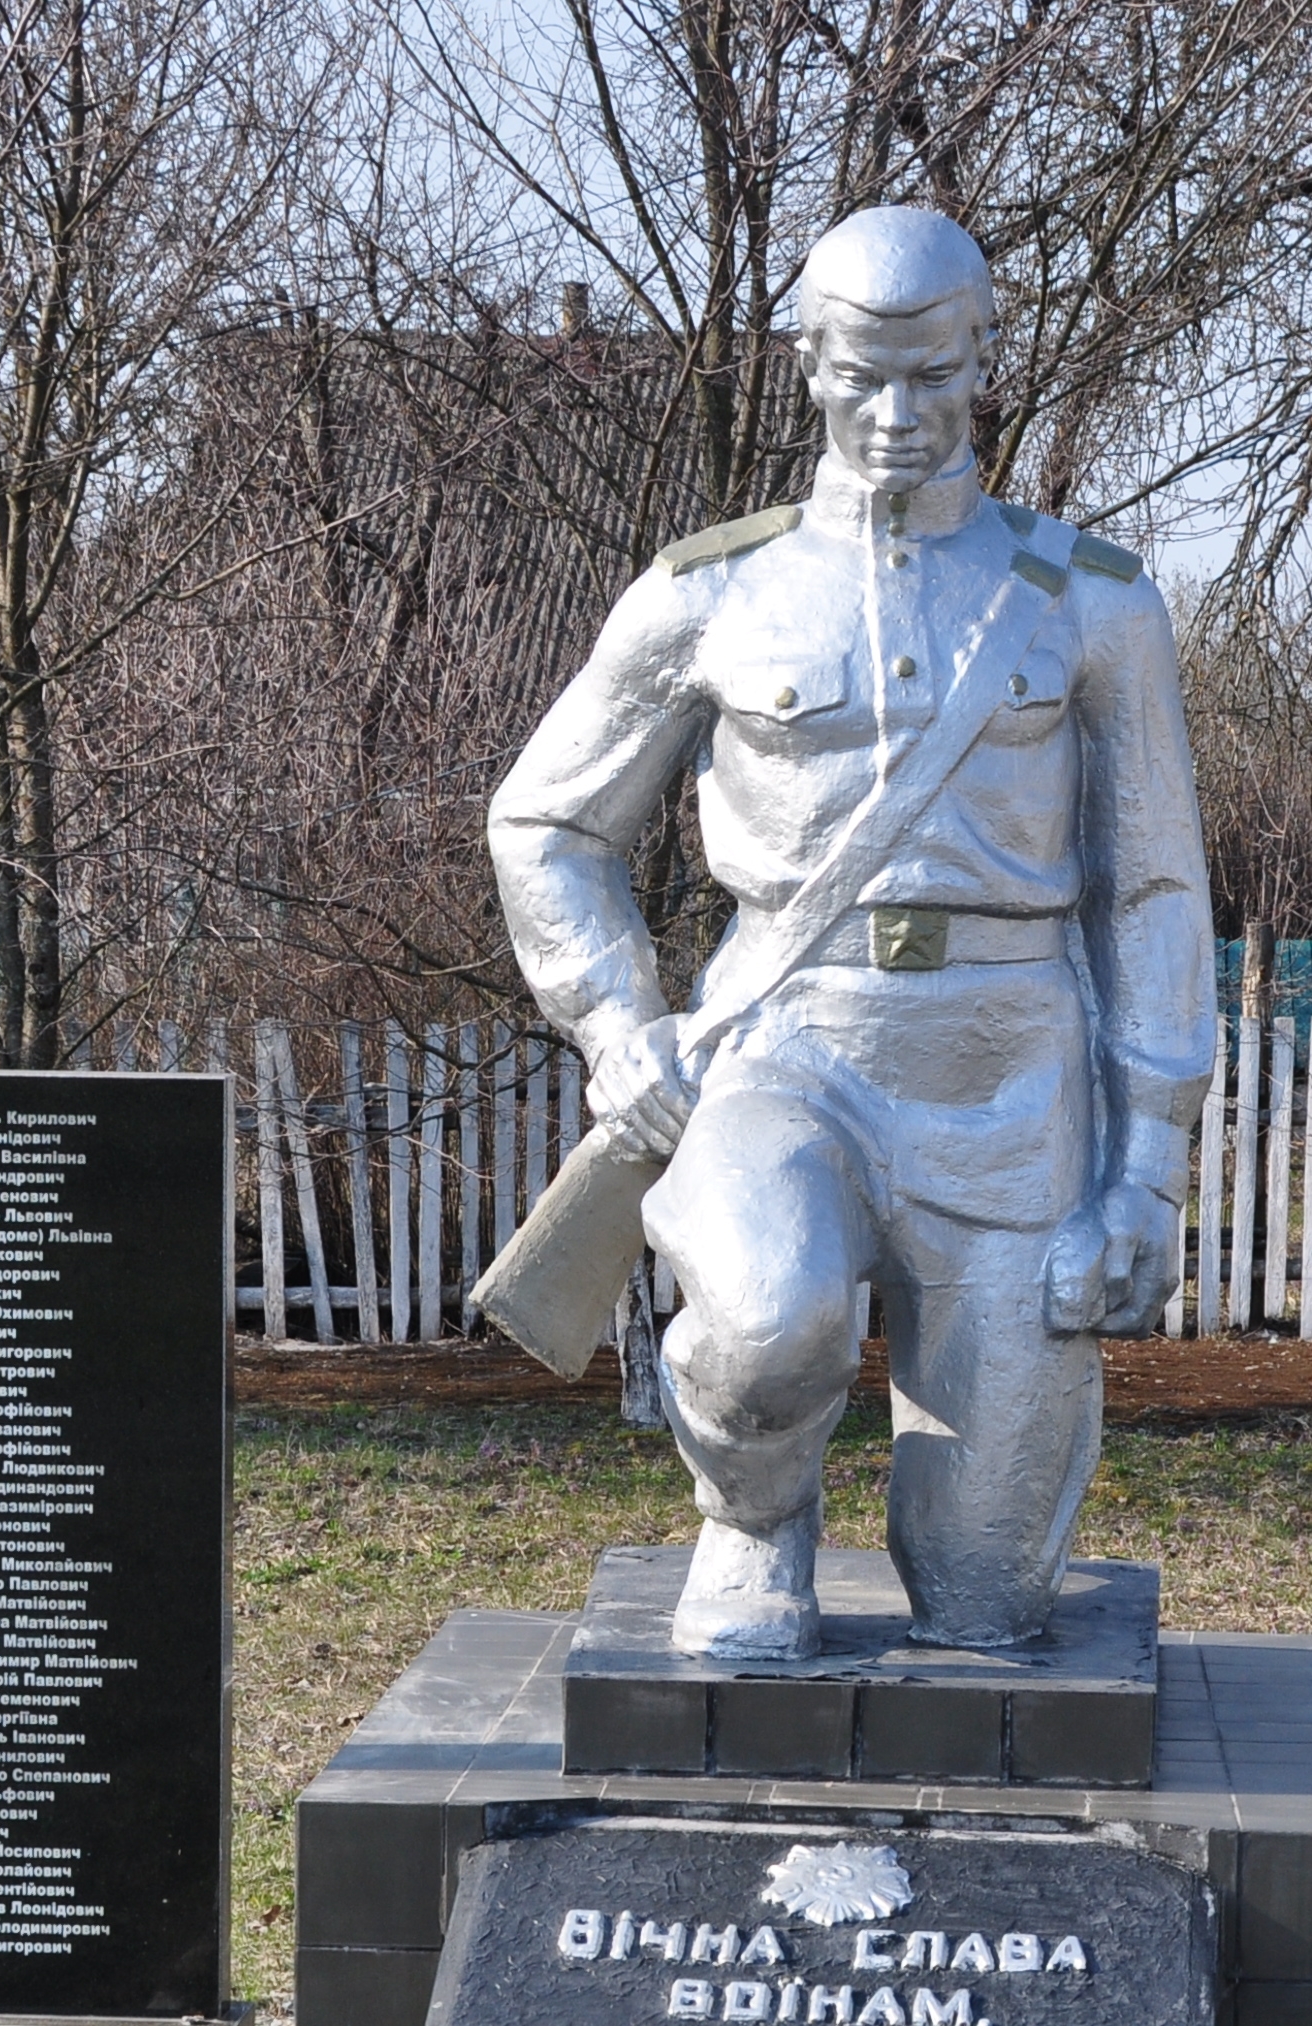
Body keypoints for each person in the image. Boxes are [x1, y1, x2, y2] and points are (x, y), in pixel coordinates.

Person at [488, 204, 1217, 1659]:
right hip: (785, 1051)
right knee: (764, 1330)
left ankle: (965, 1544)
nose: (896, 414)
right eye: (861, 376)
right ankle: (755, 1528)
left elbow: (1154, 890)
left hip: (1015, 1081)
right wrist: (619, 1022)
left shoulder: (1092, 604)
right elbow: (548, 825)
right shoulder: (711, 592)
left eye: (934, 375)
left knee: (990, 1599)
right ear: (806, 364)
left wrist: (1148, 1170)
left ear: (985, 361)